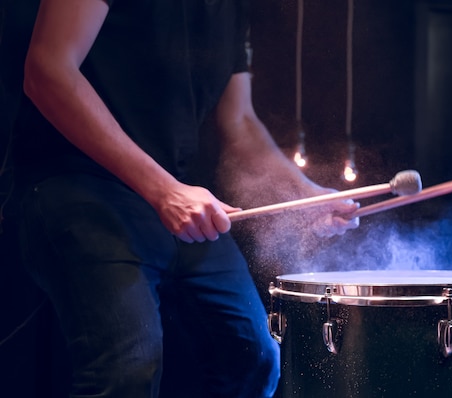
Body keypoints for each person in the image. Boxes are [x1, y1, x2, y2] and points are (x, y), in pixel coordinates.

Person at [8, 0, 360, 397]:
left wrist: (304, 196)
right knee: (128, 370)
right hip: (80, 186)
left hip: (172, 194)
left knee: (255, 359)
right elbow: (47, 71)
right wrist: (164, 190)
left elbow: (239, 121)